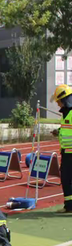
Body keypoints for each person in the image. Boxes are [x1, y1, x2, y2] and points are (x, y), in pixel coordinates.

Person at [50, 84, 72, 213]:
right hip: (67, 152)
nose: (57, 104)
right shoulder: (66, 113)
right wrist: (58, 131)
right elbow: (67, 130)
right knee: (66, 179)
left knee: (66, 178)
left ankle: (69, 206)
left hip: (71, 153)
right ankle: (69, 206)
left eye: (58, 101)